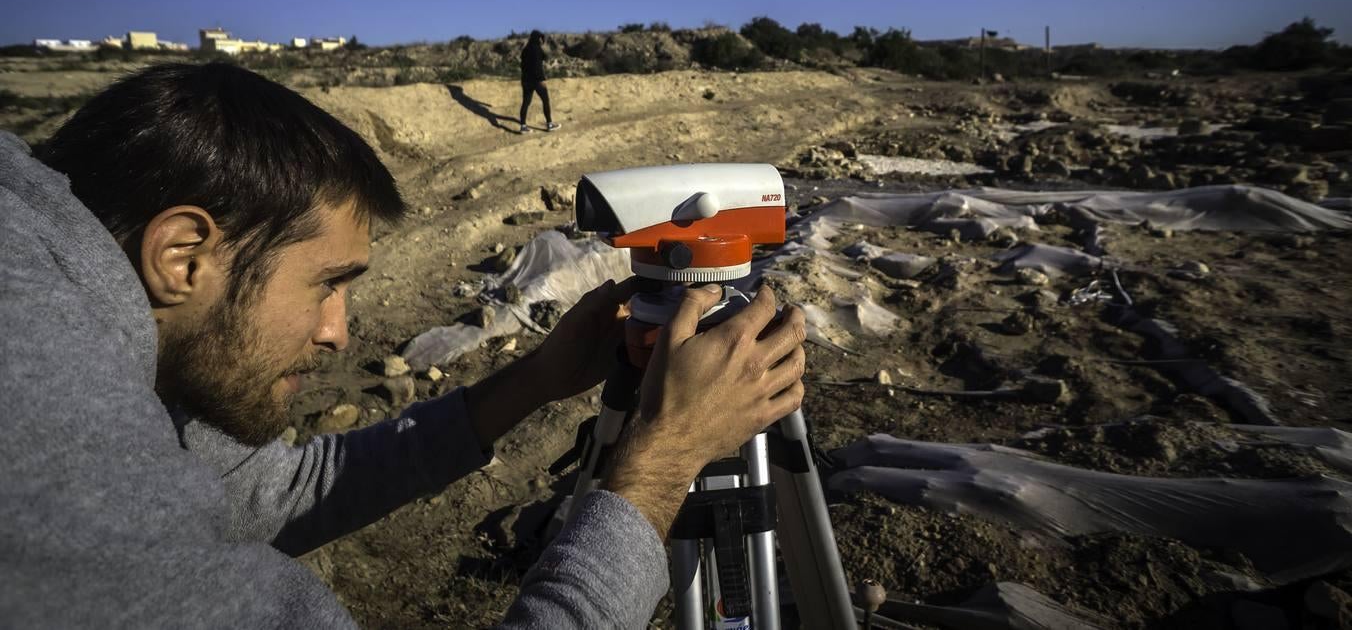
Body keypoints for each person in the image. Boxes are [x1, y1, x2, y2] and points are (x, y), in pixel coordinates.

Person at [0, 62, 806, 629]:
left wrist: (533, 380)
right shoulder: (51, 444)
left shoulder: (52, 287)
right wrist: (661, 463)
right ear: (183, 255)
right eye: (327, 283)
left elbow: (268, 496)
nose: (338, 332)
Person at [518, 29, 558, 132]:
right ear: (538, 38)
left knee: (525, 103)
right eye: (541, 38)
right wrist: (541, 79)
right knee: (545, 100)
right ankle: (549, 124)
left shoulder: (526, 49)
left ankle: (523, 126)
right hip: (536, 80)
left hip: (526, 80)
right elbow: (538, 66)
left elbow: (522, 65)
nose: (542, 40)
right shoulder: (537, 49)